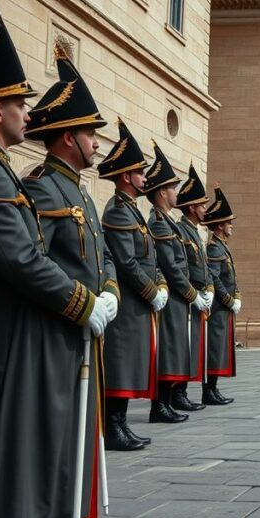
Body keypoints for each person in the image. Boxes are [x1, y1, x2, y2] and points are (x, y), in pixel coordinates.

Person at [0, 0, 112, 517]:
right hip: (7, 334)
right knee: (8, 452)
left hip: (30, 331)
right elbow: (20, 259)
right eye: (19, 103)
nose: (27, 113)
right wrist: (83, 303)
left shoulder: (1, 168)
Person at [24, 45, 127, 453]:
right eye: (90, 135)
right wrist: (83, 304)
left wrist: (111, 292)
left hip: (87, 331)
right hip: (60, 333)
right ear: (69, 137)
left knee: (83, 442)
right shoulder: (41, 186)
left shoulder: (81, 192)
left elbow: (103, 255)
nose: (97, 145)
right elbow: (36, 260)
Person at [98, 119, 166, 442]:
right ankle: (114, 426)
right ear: (126, 176)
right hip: (127, 305)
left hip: (137, 305)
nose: (145, 178)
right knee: (121, 365)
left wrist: (159, 286)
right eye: (140, 172)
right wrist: (152, 291)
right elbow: (126, 262)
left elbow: (149, 258)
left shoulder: (132, 211)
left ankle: (121, 423)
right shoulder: (117, 211)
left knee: (129, 363)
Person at [146, 143, 203, 421]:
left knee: (174, 351)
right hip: (171, 297)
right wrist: (190, 292)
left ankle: (167, 403)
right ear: (161, 192)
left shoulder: (167, 222)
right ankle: (160, 406)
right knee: (167, 353)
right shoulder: (158, 222)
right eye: (171, 188)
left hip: (179, 297)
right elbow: (170, 265)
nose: (175, 194)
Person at [175, 164, 213, 408]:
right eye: (201, 205)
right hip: (186, 299)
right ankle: (177, 394)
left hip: (198, 298)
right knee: (182, 348)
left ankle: (182, 393)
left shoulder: (195, 233)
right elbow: (180, 267)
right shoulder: (182, 231)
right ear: (191, 207)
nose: (204, 210)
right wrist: (194, 294)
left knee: (191, 349)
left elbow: (205, 268)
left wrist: (208, 290)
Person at [204, 188, 239, 404]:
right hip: (218, 308)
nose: (231, 226)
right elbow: (215, 279)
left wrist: (237, 297)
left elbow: (231, 277)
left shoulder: (222, 247)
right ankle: (209, 391)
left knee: (220, 349)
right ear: (219, 226)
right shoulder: (214, 248)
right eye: (228, 222)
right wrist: (228, 300)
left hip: (224, 308)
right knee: (215, 350)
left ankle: (214, 389)